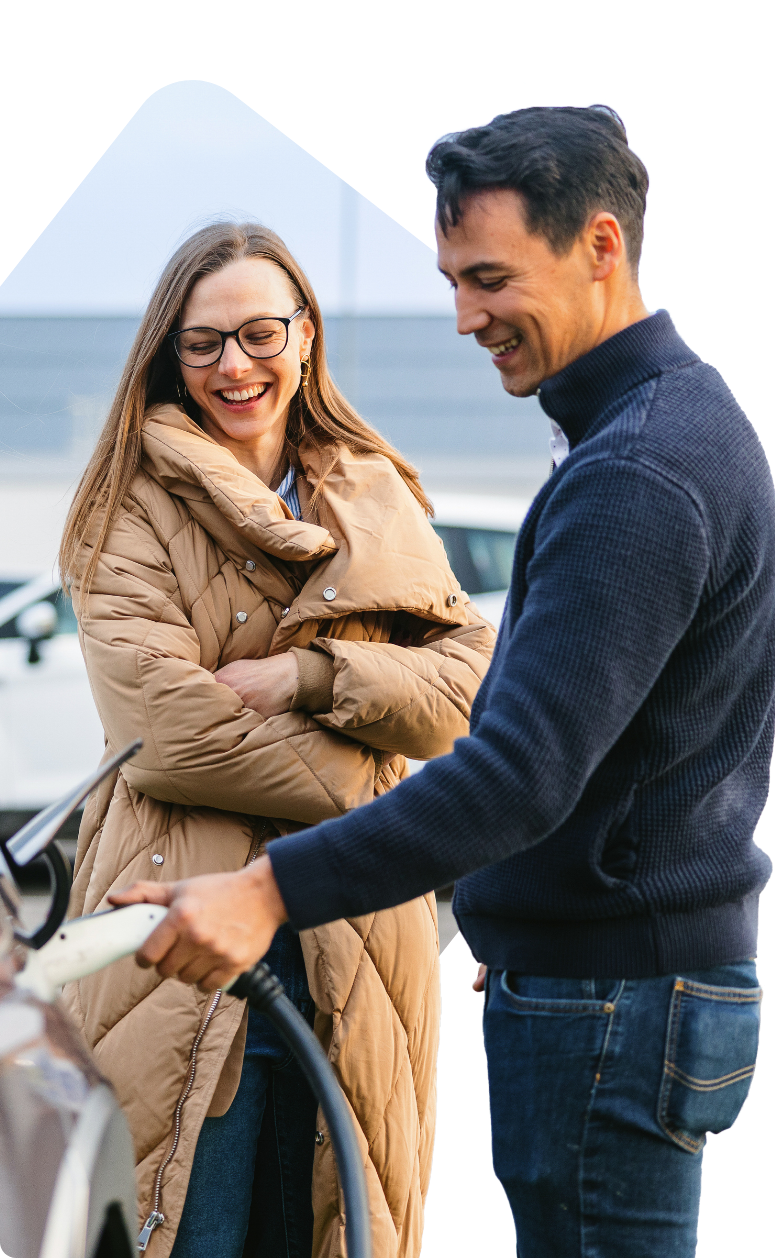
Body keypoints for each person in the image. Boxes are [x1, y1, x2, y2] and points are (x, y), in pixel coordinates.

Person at [113, 104, 775, 1257]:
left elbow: (512, 765)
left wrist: (264, 890)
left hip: (611, 1002)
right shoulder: (651, 427)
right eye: (451, 278)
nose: (465, 316)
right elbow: (599, 745)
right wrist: (519, 910)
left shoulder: (636, 471)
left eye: (488, 278)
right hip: (604, 979)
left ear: (601, 246)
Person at [59, 221, 496, 1258]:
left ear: (305, 336)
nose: (233, 366)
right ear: (170, 354)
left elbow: (464, 692)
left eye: (259, 333)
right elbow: (170, 739)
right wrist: (397, 808)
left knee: (336, 1225)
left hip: (358, 955)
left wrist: (308, 674)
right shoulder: (129, 504)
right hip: (176, 951)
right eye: (202, 343)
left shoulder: (376, 493)